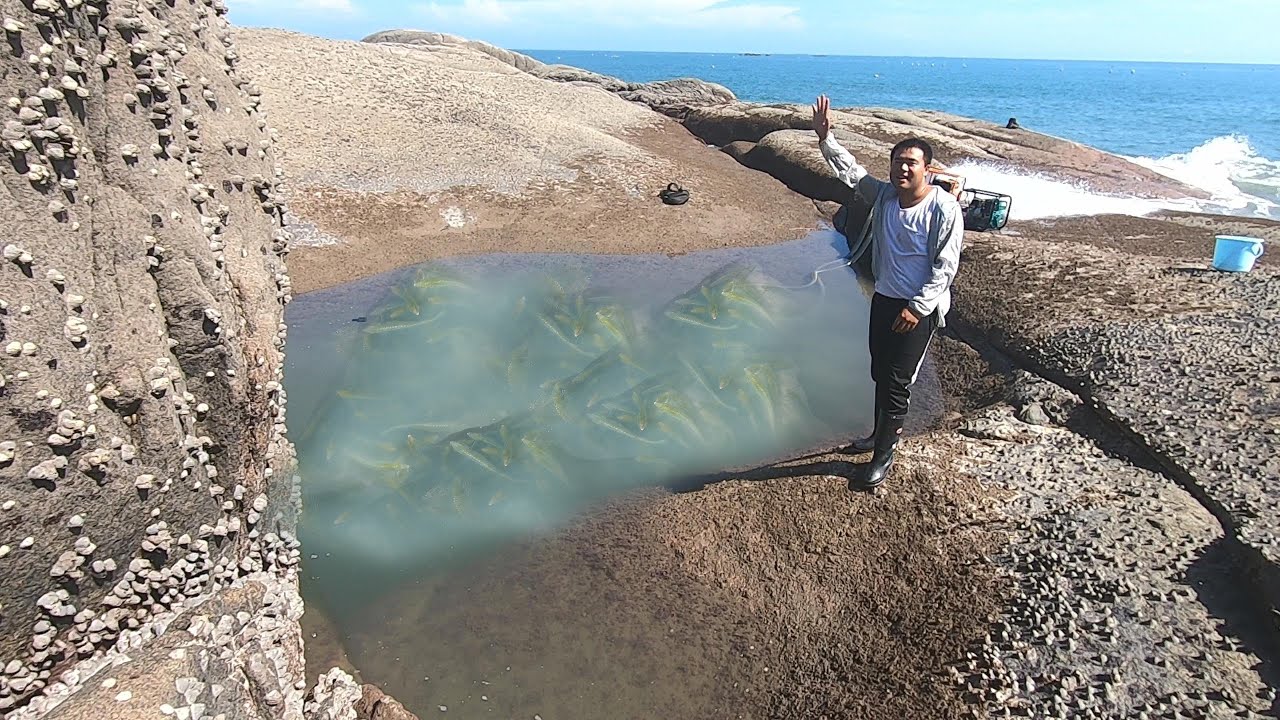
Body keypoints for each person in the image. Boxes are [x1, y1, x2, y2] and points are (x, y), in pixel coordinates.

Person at [810, 94, 964, 492]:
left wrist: (918, 307)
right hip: (884, 298)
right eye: (897, 162)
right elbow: (852, 173)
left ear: (927, 170)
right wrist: (826, 139)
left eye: (911, 163)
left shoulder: (943, 208)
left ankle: (883, 453)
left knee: (897, 381)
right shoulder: (885, 197)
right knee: (880, 370)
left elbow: (946, 266)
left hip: (917, 309)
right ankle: (877, 435)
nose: (903, 169)